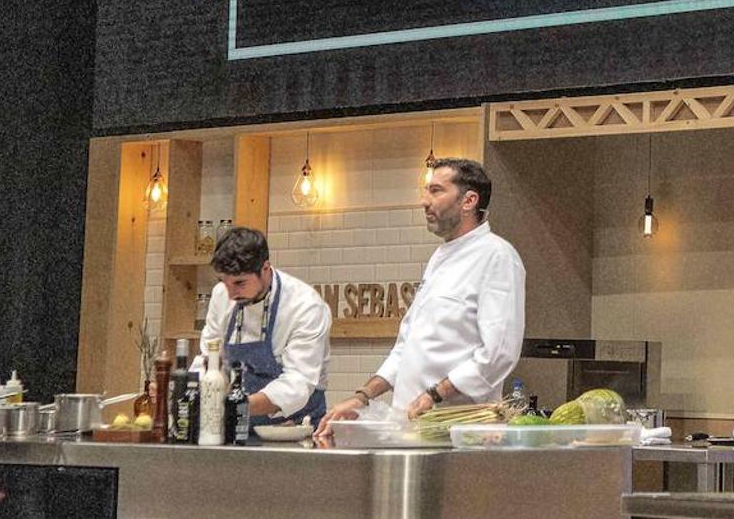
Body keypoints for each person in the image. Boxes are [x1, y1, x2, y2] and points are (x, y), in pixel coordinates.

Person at [318, 158, 525, 432]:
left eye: (436, 191)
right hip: (410, 425)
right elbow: (407, 346)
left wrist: (434, 394)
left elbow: (498, 354)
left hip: (457, 429)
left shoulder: (497, 256)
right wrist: (362, 397)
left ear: (469, 201)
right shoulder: (440, 257)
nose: (424, 201)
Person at [191, 226, 331, 429]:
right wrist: (192, 389)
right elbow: (210, 357)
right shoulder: (222, 295)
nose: (231, 294)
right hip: (237, 423)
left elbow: (298, 383)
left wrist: (236, 405)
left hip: (294, 427)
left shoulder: (305, 306)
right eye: (224, 282)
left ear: (265, 268)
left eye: (240, 283)